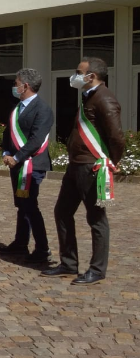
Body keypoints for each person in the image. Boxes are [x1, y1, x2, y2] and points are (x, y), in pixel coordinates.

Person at [42, 57, 125, 285]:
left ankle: (97, 269)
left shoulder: (104, 99)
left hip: (91, 166)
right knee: (62, 211)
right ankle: (69, 263)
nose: (75, 76)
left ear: (92, 76)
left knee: (96, 218)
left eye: (79, 72)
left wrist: (111, 162)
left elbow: (117, 137)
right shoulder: (88, 97)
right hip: (76, 164)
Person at [0, 69, 54, 263]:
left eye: (16, 83)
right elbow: (8, 133)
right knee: (21, 205)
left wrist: (18, 157)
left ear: (26, 86)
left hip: (33, 165)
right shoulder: (18, 107)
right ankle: (21, 243)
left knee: (30, 206)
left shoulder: (42, 108)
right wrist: (6, 152)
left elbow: (36, 139)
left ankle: (42, 249)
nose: (15, 87)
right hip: (16, 163)